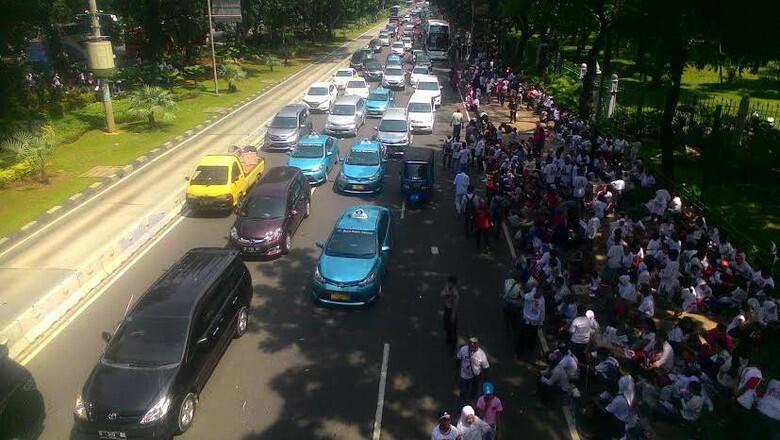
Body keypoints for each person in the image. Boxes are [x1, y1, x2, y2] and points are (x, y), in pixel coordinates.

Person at [457, 337, 490, 405]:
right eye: (470, 345)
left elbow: (485, 366)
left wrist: (484, 378)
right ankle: (462, 401)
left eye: (474, 345)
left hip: (476, 375)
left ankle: (471, 399)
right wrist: (457, 370)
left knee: (474, 389)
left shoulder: (481, 354)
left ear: (477, 345)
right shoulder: (463, 349)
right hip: (464, 375)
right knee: (463, 389)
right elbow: (458, 358)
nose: (472, 347)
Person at [441, 275, 460, 346]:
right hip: (447, 308)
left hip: (451, 310)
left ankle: (454, 341)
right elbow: (442, 294)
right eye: (448, 282)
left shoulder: (455, 293)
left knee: (453, 326)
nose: (449, 284)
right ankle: (448, 337)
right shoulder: (446, 288)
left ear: (454, 284)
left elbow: (455, 305)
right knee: (446, 324)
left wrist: (453, 315)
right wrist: (445, 294)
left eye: (450, 283)